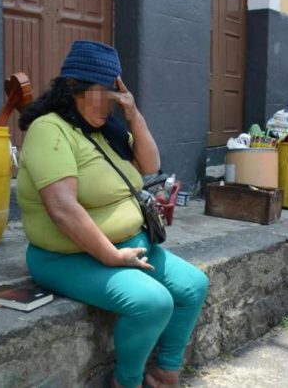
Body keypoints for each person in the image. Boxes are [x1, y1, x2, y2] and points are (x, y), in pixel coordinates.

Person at [17, 40, 209, 388]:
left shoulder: (106, 129)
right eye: (101, 93)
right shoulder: (50, 129)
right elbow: (62, 208)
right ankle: (127, 381)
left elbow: (151, 165)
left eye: (114, 93)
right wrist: (112, 254)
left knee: (194, 286)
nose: (109, 103)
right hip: (68, 257)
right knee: (153, 302)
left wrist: (134, 116)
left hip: (131, 245)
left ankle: (165, 372)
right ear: (73, 88)